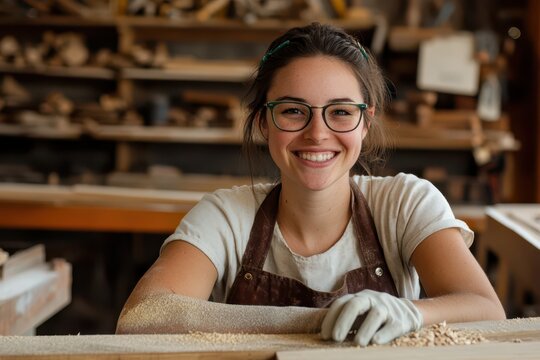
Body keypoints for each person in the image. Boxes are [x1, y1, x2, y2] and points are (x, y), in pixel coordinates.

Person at [116, 23, 505, 346]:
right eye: (292, 111)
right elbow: (141, 315)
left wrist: (412, 312)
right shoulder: (226, 215)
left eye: (340, 112)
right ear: (263, 123)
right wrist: (320, 321)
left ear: (366, 122)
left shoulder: (405, 204)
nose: (317, 133)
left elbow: (487, 312)